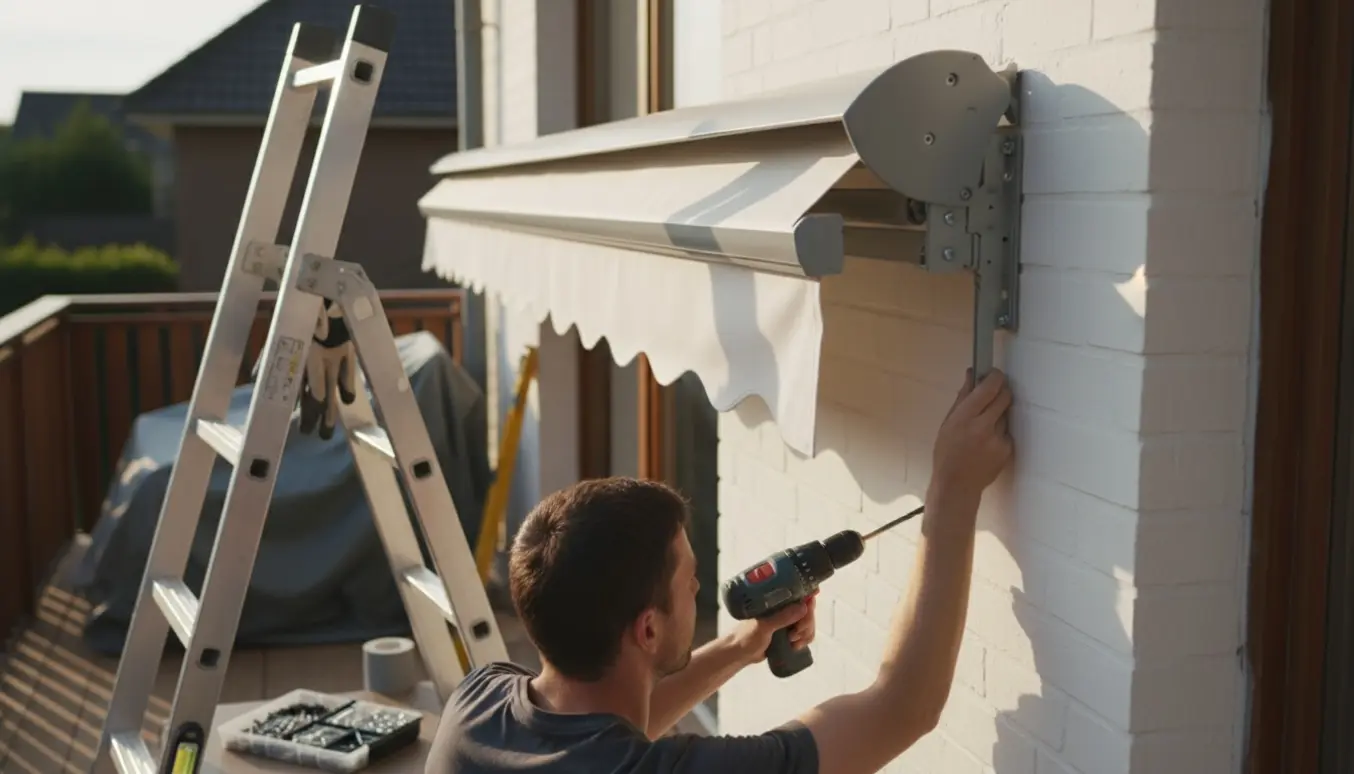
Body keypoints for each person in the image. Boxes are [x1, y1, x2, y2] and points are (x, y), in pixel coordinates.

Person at [426, 368, 1014, 774]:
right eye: (689, 582)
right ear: (648, 630)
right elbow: (902, 708)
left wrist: (741, 645)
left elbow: (603, 730)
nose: (699, 588)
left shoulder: (475, 705)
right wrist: (952, 494)